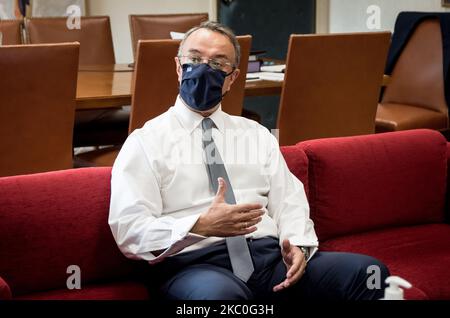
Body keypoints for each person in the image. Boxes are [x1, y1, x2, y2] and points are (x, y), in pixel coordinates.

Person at [109, 21, 389, 300]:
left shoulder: (255, 134)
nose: (204, 69)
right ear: (179, 67)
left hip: (270, 259)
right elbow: (129, 229)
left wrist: (299, 246)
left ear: (232, 78)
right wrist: (198, 225)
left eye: (218, 64)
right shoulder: (145, 142)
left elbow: (288, 199)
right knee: (219, 298)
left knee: (369, 273)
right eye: (194, 59)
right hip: (195, 265)